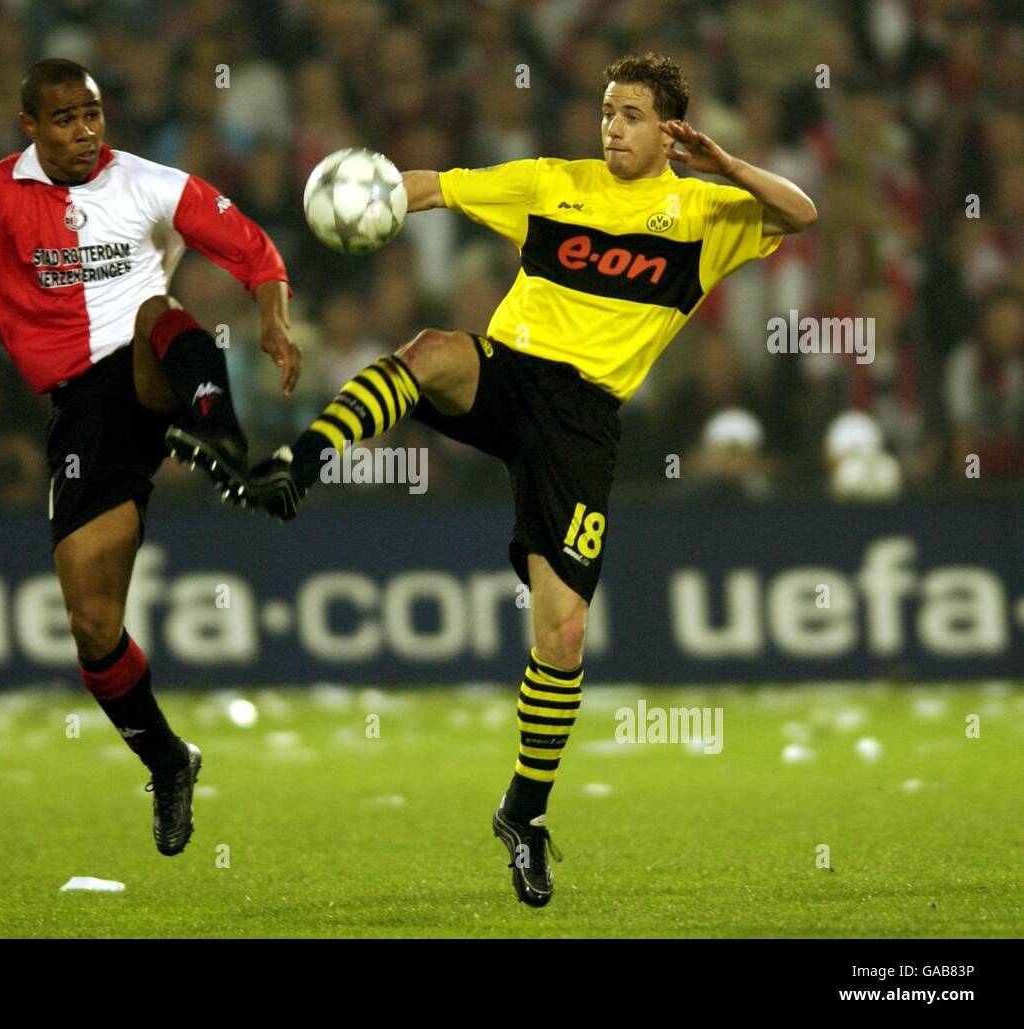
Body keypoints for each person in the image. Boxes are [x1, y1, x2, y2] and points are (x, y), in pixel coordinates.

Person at [235, 52, 816, 907]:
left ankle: (524, 813)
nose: (611, 126)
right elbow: (438, 187)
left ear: (669, 129)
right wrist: (369, 186)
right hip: (510, 373)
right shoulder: (552, 182)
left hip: (583, 424)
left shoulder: (704, 213)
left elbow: (801, 214)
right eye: (607, 111)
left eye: (629, 115)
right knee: (430, 350)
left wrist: (726, 163)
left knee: (564, 636)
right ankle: (297, 465)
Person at [0, 58, 300, 858]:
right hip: (81, 415)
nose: (84, 132)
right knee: (92, 626)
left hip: (151, 369)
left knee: (157, 311)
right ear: (30, 125)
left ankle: (226, 445)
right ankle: (169, 760)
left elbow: (253, 249)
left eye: (93, 115)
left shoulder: (145, 182)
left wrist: (273, 320)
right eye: (65, 119)